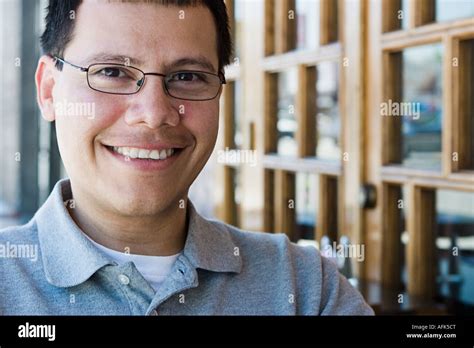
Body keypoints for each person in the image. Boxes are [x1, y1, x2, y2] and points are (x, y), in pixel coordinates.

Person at [0, 0, 373, 315]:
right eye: (112, 72)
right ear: (49, 90)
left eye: (188, 77)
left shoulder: (304, 289)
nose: (154, 113)